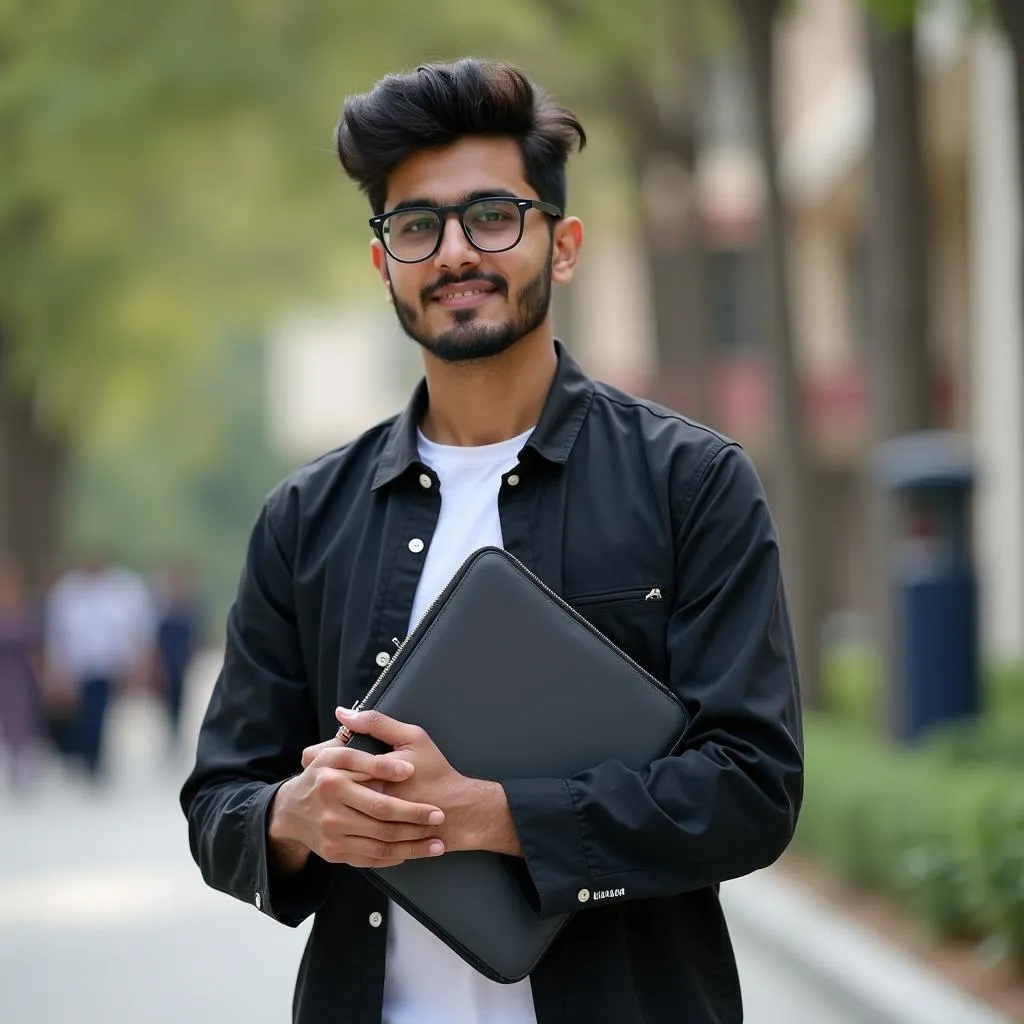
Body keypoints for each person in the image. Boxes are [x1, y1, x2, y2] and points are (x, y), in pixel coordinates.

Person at [181, 58, 804, 1024]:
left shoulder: (692, 484)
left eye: (493, 216)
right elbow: (220, 798)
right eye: (417, 225)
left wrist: (489, 813)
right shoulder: (304, 518)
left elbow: (753, 789)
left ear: (562, 245)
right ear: (383, 260)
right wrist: (295, 816)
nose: (456, 252)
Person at [44, 554, 156, 781]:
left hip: (108, 666)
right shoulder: (68, 591)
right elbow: (56, 635)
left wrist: (138, 663)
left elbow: (137, 629)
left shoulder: (123, 589)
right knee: (82, 715)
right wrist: (57, 671)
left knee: (99, 714)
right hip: (79, 668)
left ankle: (94, 757)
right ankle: (86, 755)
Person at [0, 560, 43, 793]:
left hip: (20, 675)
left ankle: (22, 764)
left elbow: (35, 645)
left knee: (22, 720)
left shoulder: (25, 612)